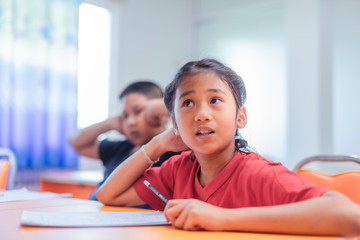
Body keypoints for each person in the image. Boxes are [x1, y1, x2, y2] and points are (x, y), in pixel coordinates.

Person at [96, 59, 360, 236]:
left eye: (215, 100)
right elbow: (109, 195)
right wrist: (156, 144)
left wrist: (221, 218)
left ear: (240, 117)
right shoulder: (178, 168)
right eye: (187, 103)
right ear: (174, 122)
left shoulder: (259, 172)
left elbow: (350, 216)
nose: (201, 114)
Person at [69, 81, 173, 200]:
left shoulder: (173, 151)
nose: (130, 122)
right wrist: (110, 123)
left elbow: (179, 107)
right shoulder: (120, 148)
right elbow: (76, 143)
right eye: (125, 116)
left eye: (138, 111)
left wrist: (159, 107)